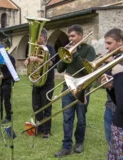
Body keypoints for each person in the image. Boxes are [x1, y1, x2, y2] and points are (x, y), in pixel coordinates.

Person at [55, 24, 96, 157]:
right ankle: (66, 146)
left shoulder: (89, 50)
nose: (70, 39)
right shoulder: (68, 49)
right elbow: (60, 69)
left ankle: (79, 142)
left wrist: (76, 54)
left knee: (81, 118)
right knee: (67, 118)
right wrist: (64, 56)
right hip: (67, 87)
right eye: (69, 36)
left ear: (80, 36)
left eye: (72, 36)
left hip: (82, 88)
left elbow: (86, 70)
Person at [24, 28, 56, 138]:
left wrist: (36, 59)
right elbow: (30, 62)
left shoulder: (50, 48)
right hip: (36, 82)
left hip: (47, 82)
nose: (36, 39)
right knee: (36, 106)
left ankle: (47, 130)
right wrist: (27, 62)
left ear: (44, 37)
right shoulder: (34, 49)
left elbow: (51, 63)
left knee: (46, 106)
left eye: (39, 37)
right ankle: (39, 126)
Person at [100, 28, 123, 159]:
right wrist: (108, 86)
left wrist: (115, 67)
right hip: (111, 107)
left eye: (109, 43)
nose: (106, 47)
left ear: (120, 42)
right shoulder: (111, 59)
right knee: (112, 143)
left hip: (120, 111)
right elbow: (112, 85)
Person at [0, 44, 16, 123]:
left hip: (7, 81)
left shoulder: (10, 58)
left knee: (6, 100)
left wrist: (3, 76)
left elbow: (12, 71)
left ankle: (8, 117)